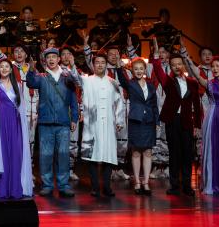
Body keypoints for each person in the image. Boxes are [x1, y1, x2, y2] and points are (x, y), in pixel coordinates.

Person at [181, 48, 219, 195]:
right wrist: (187, 59)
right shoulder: (209, 83)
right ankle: (213, 183)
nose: (214, 69)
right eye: (213, 66)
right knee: (213, 148)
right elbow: (196, 74)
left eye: (217, 66)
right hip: (213, 117)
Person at [23, 47, 79, 198]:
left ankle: (63, 185)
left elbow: (73, 99)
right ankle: (47, 185)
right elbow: (30, 83)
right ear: (45, 60)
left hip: (63, 122)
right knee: (46, 155)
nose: (51, 59)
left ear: (59, 59)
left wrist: (74, 118)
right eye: (48, 57)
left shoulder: (67, 77)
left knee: (63, 155)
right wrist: (31, 69)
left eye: (54, 57)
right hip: (46, 122)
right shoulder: (41, 77)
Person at [151, 52, 201, 196]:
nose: (177, 67)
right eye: (174, 65)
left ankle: (187, 185)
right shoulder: (168, 81)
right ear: (171, 67)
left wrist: (197, 125)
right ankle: (174, 185)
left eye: (179, 64)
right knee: (174, 153)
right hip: (173, 120)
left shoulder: (192, 83)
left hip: (187, 121)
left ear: (183, 65)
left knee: (187, 154)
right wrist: (156, 57)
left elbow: (197, 105)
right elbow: (158, 71)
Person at [0, 59, 33, 199]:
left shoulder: (17, 85)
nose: (4, 69)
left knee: (15, 155)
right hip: (1, 124)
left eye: (7, 66)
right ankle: (2, 189)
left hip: (15, 124)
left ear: (11, 69)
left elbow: (21, 107)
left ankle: (15, 188)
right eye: (1, 66)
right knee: (3, 154)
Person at [79, 54, 122, 197]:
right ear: (93, 64)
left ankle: (107, 187)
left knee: (108, 155)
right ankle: (95, 187)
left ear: (106, 64)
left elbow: (119, 102)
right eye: (97, 62)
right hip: (92, 123)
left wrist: (119, 120)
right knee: (92, 155)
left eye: (103, 62)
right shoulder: (87, 80)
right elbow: (74, 78)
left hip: (108, 123)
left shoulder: (113, 82)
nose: (100, 65)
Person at [116, 57, 159, 196]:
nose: (139, 71)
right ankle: (137, 182)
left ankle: (145, 182)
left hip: (149, 121)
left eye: (141, 68)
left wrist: (157, 121)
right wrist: (118, 67)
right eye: (136, 69)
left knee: (148, 152)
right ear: (132, 71)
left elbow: (154, 105)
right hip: (136, 120)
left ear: (145, 70)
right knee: (135, 152)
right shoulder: (130, 84)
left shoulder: (151, 85)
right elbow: (122, 80)